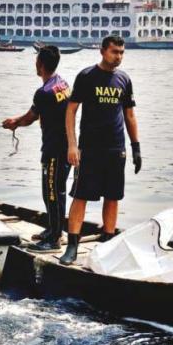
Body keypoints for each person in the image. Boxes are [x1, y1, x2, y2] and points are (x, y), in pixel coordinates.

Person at [59, 35, 141, 265]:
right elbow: (71, 111)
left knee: (113, 197)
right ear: (103, 51)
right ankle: (72, 246)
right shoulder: (87, 76)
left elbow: (130, 115)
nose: (119, 57)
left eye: (122, 52)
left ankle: (107, 245)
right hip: (90, 148)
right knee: (81, 195)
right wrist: (72, 145)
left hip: (116, 148)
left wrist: (136, 147)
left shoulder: (124, 79)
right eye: (115, 52)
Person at [2, 46, 72, 252]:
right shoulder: (62, 84)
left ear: (39, 65)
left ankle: (54, 239)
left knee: (52, 192)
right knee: (54, 191)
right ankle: (53, 228)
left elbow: (31, 117)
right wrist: (18, 120)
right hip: (66, 146)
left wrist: (14, 122)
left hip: (54, 149)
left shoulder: (43, 93)